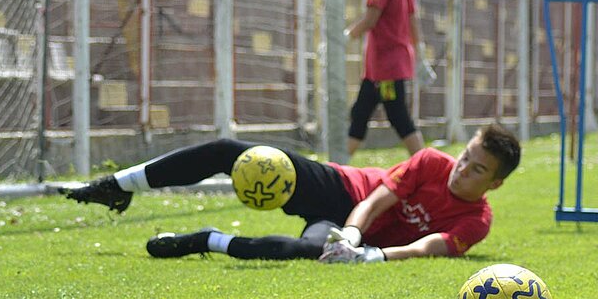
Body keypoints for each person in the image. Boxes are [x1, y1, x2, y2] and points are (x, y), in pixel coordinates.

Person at [59, 123, 521, 263]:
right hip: (342, 188)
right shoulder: (431, 162)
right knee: (233, 152)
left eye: (476, 169)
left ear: (494, 183)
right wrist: (356, 237)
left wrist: (373, 256)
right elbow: (377, 199)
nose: (461, 171)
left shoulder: (478, 220)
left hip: (350, 233)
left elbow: (429, 247)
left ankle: (207, 240)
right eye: (465, 157)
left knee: (308, 250)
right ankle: (117, 186)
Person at [344, 0, 433, 159]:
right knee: (360, 113)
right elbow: (412, 18)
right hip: (383, 66)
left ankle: (425, 165)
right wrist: (419, 53)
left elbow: (371, 18)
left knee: (398, 116)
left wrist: (345, 38)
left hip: (386, 66)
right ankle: (336, 165)